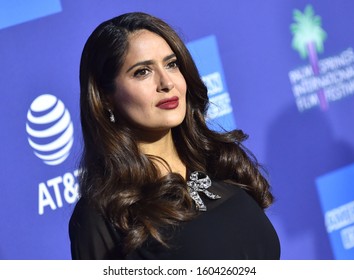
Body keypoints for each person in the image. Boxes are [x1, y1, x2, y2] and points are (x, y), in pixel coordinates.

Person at [69, 11, 280, 260]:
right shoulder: (103, 215)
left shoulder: (220, 163)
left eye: (171, 64)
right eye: (142, 72)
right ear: (106, 98)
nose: (166, 82)